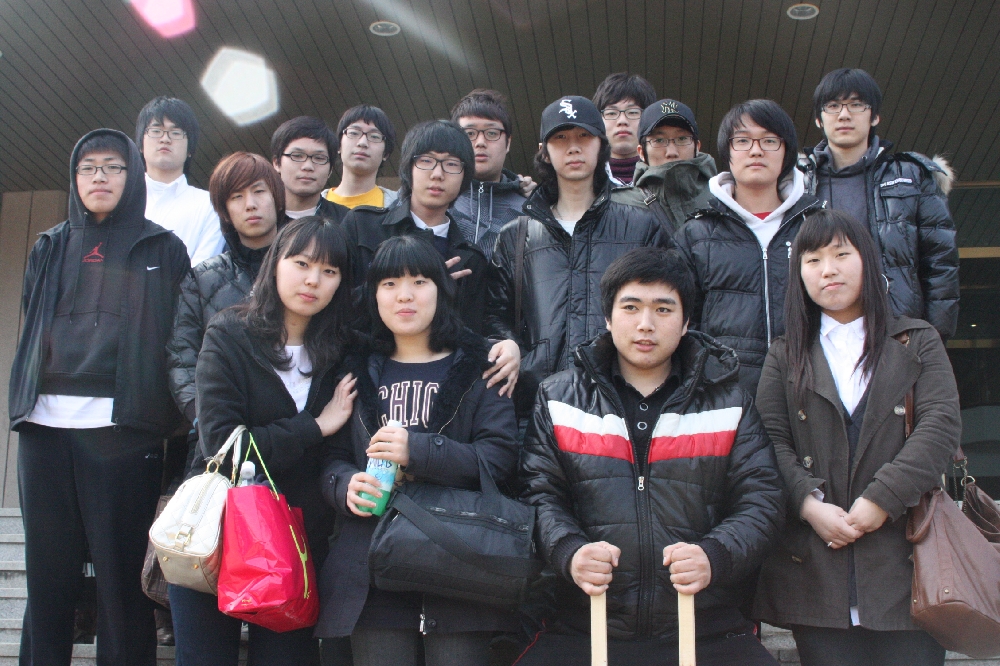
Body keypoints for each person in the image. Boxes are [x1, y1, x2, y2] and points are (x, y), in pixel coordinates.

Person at [516, 247, 784, 665]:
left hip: (707, 625)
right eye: (631, 307)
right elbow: (538, 494)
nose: (646, 324)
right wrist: (570, 551)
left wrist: (714, 555)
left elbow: (762, 499)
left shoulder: (729, 402)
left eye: (663, 309)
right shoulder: (559, 398)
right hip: (583, 623)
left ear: (686, 322)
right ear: (608, 318)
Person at [9, 129, 190, 665]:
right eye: (88, 168)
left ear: (132, 176)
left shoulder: (162, 247)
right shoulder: (49, 245)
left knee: (120, 580)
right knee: (48, 577)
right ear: (75, 179)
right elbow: (32, 315)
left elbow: (176, 335)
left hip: (123, 429)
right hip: (44, 429)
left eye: (113, 167)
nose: (100, 178)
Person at [753, 209, 961, 666]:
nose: (827, 270)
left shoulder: (917, 341)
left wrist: (882, 499)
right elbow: (768, 440)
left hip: (908, 567)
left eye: (841, 255)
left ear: (867, 260)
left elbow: (940, 424)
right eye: (812, 260)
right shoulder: (785, 354)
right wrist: (808, 505)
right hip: (817, 570)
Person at [316, 235, 519, 666]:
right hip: (370, 567)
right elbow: (330, 458)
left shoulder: (481, 364)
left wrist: (420, 450)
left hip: (457, 563)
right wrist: (344, 485)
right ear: (374, 296)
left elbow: (499, 459)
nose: (404, 295)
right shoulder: (353, 367)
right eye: (389, 284)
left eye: (419, 282)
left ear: (442, 291)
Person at [169, 217, 357, 665]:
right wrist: (314, 427)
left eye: (329, 271)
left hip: (296, 546)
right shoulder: (228, 332)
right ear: (275, 263)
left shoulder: (343, 351)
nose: (313, 280)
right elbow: (224, 445)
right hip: (215, 536)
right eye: (301, 263)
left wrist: (498, 346)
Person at [486, 96, 670, 415]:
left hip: (624, 406)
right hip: (536, 408)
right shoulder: (516, 236)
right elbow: (492, 314)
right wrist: (508, 343)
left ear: (601, 145)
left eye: (584, 136)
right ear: (545, 151)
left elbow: (671, 305)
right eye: (561, 138)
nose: (573, 147)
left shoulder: (641, 227)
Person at [340, 121, 518, 392]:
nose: (437, 174)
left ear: (465, 176)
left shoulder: (470, 259)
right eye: (426, 161)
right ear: (408, 168)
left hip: (435, 388)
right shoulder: (362, 226)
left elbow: (471, 337)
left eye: (451, 164)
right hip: (360, 379)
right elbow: (337, 307)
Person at [673, 99, 822, 396]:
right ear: (727, 153)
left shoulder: (816, 226)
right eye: (742, 141)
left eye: (770, 140)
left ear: (787, 152)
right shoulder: (696, 234)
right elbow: (681, 322)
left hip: (809, 389)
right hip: (722, 393)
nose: (756, 151)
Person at [800, 68, 959, 340]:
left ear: (874, 116)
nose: (844, 114)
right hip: (818, 334)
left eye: (856, 104)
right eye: (833, 106)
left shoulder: (912, 176)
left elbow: (940, 263)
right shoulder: (796, 181)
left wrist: (932, 340)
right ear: (819, 118)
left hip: (896, 331)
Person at [167, 151, 285, 436]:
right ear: (225, 212)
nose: (250, 204)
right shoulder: (201, 279)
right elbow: (181, 353)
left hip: (297, 426)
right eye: (236, 197)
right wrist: (202, 417)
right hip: (220, 430)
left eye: (259, 191)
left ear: (277, 198)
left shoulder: (306, 268)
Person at [136, 96, 226, 265]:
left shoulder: (210, 205)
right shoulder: (122, 201)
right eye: (156, 131)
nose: (165, 139)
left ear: (190, 149)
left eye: (176, 133)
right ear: (141, 144)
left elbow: (203, 270)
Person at [611, 99, 718, 233]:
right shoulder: (618, 206)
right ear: (641, 152)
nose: (671, 152)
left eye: (682, 139)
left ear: (697, 147)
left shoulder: (725, 198)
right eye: (659, 140)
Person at [449, 89, 527, 260]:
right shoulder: (438, 202)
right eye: (470, 134)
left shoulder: (529, 211)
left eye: (492, 133)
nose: (480, 142)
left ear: (508, 143)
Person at [271, 116, 349, 224]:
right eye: (297, 156)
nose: (308, 166)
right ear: (276, 163)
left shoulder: (347, 221)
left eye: (319, 158)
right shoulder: (261, 219)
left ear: (330, 170)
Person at [325, 104, 399, 210]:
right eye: (354, 133)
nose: (363, 143)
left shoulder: (401, 208)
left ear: (386, 154)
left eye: (374, 136)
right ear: (339, 145)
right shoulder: (313, 206)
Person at [592, 72, 657, 186]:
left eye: (633, 112)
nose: (622, 121)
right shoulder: (586, 178)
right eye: (611, 113)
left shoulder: (663, 174)